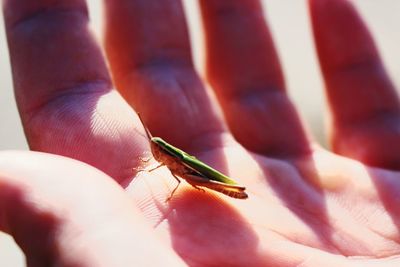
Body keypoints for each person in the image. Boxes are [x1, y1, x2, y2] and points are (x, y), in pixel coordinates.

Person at [1, 0, 399, 266]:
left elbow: (182, 173)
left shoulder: (171, 160)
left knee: (217, 183)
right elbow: (167, 166)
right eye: (155, 148)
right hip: (195, 175)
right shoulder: (161, 157)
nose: (155, 151)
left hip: (211, 181)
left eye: (157, 147)